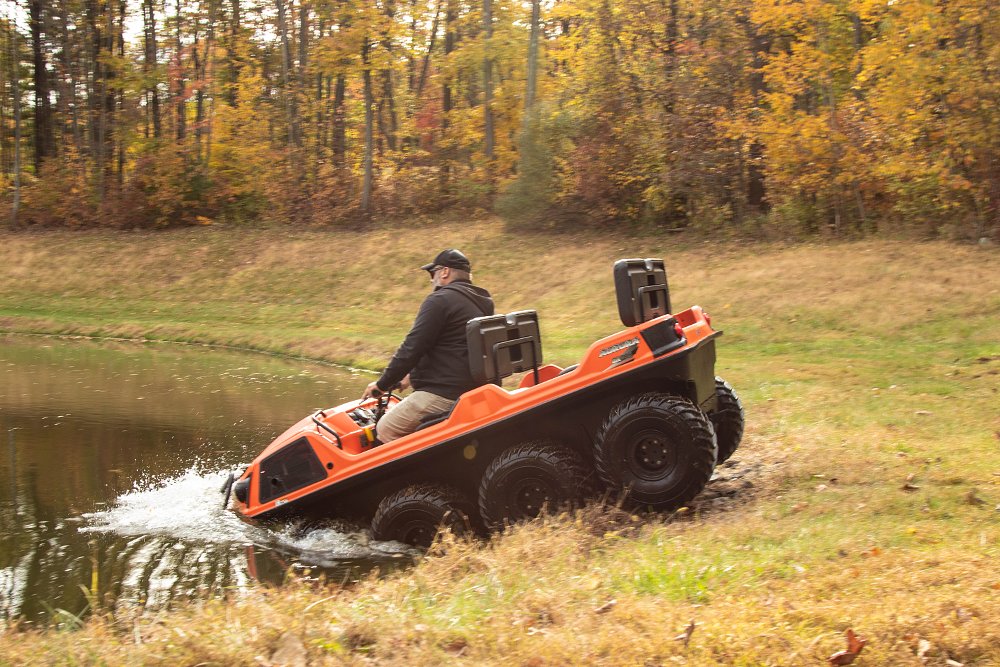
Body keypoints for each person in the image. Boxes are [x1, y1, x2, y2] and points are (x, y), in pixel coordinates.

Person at [362, 249, 494, 443]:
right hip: (472, 387)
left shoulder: (439, 300)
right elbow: (450, 346)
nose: (431, 280)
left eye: (432, 273)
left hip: (446, 393)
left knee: (386, 428)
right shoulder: (481, 302)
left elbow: (412, 348)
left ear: (445, 272)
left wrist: (381, 385)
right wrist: (409, 377)